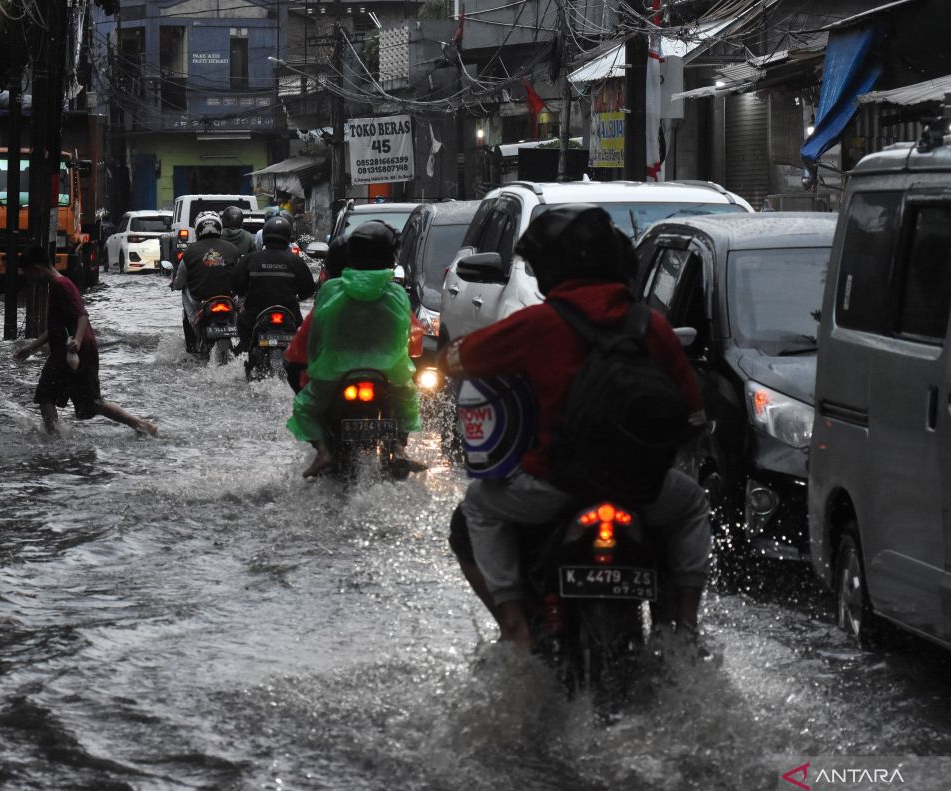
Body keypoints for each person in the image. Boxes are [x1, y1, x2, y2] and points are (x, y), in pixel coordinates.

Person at [438, 205, 711, 651]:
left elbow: (455, 359)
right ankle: (684, 630)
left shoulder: (537, 324)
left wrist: (451, 358)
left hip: (554, 485)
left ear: (550, 269)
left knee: (476, 509)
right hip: (643, 490)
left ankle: (515, 628)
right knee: (693, 504)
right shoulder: (652, 326)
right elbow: (694, 419)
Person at [286, 221, 420, 477]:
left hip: (333, 373)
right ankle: (400, 447)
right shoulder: (397, 294)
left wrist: (311, 365)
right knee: (407, 400)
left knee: (305, 406)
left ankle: (323, 451)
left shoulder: (331, 290)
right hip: (389, 374)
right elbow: (412, 339)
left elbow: (313, 336)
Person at [13, 245, 157, 435]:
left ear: (37, 269)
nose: (29, 280)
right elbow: (54, 329)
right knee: (67, 398)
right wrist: (30, 348)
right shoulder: (56, 286)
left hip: (77, 351)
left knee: (61, 398)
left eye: (28, 274)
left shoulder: (61, 285)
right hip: (66, 353)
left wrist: (78, 341)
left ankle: (53, 440)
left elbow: (82, 315)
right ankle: (140, 425)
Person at [231, 215, 315, 353]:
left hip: (254, 315)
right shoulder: (296, 261)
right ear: (288, 236)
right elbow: (308, 290)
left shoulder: (251, 259)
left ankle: (246, 357)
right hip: (289, 315)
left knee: (243, 337)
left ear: (265, 235)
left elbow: (237, 285)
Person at [171, 211, 240, 352]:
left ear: (198, 230)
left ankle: (191, 343)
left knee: (184, 290)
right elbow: (240, 275)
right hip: (229, 299)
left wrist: (175, 285)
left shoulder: (189, 251)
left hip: (200, 302)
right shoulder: (233, 249)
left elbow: (179, 281)